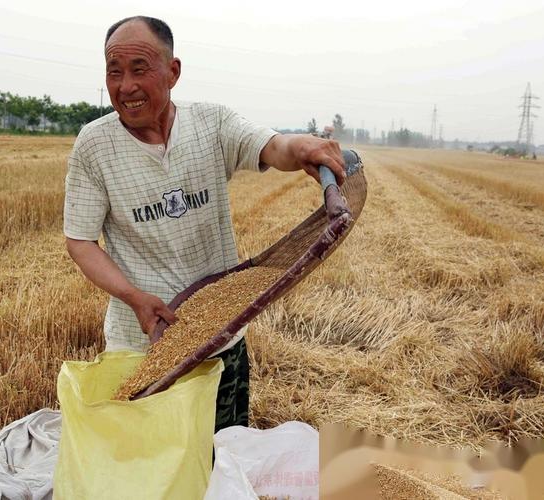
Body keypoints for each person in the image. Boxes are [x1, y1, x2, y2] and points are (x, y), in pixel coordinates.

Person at [64, 15, 345, 432]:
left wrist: (300, 145)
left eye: (139, 69)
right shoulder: (94, 145)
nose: (125, 87)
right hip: (141, 346)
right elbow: (81, 242)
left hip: (219, 337)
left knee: (223, 456)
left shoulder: (211, 124)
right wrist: (135, 297)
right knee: (153, 471)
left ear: (173, 72)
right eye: (114, 72)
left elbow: (270, 146)